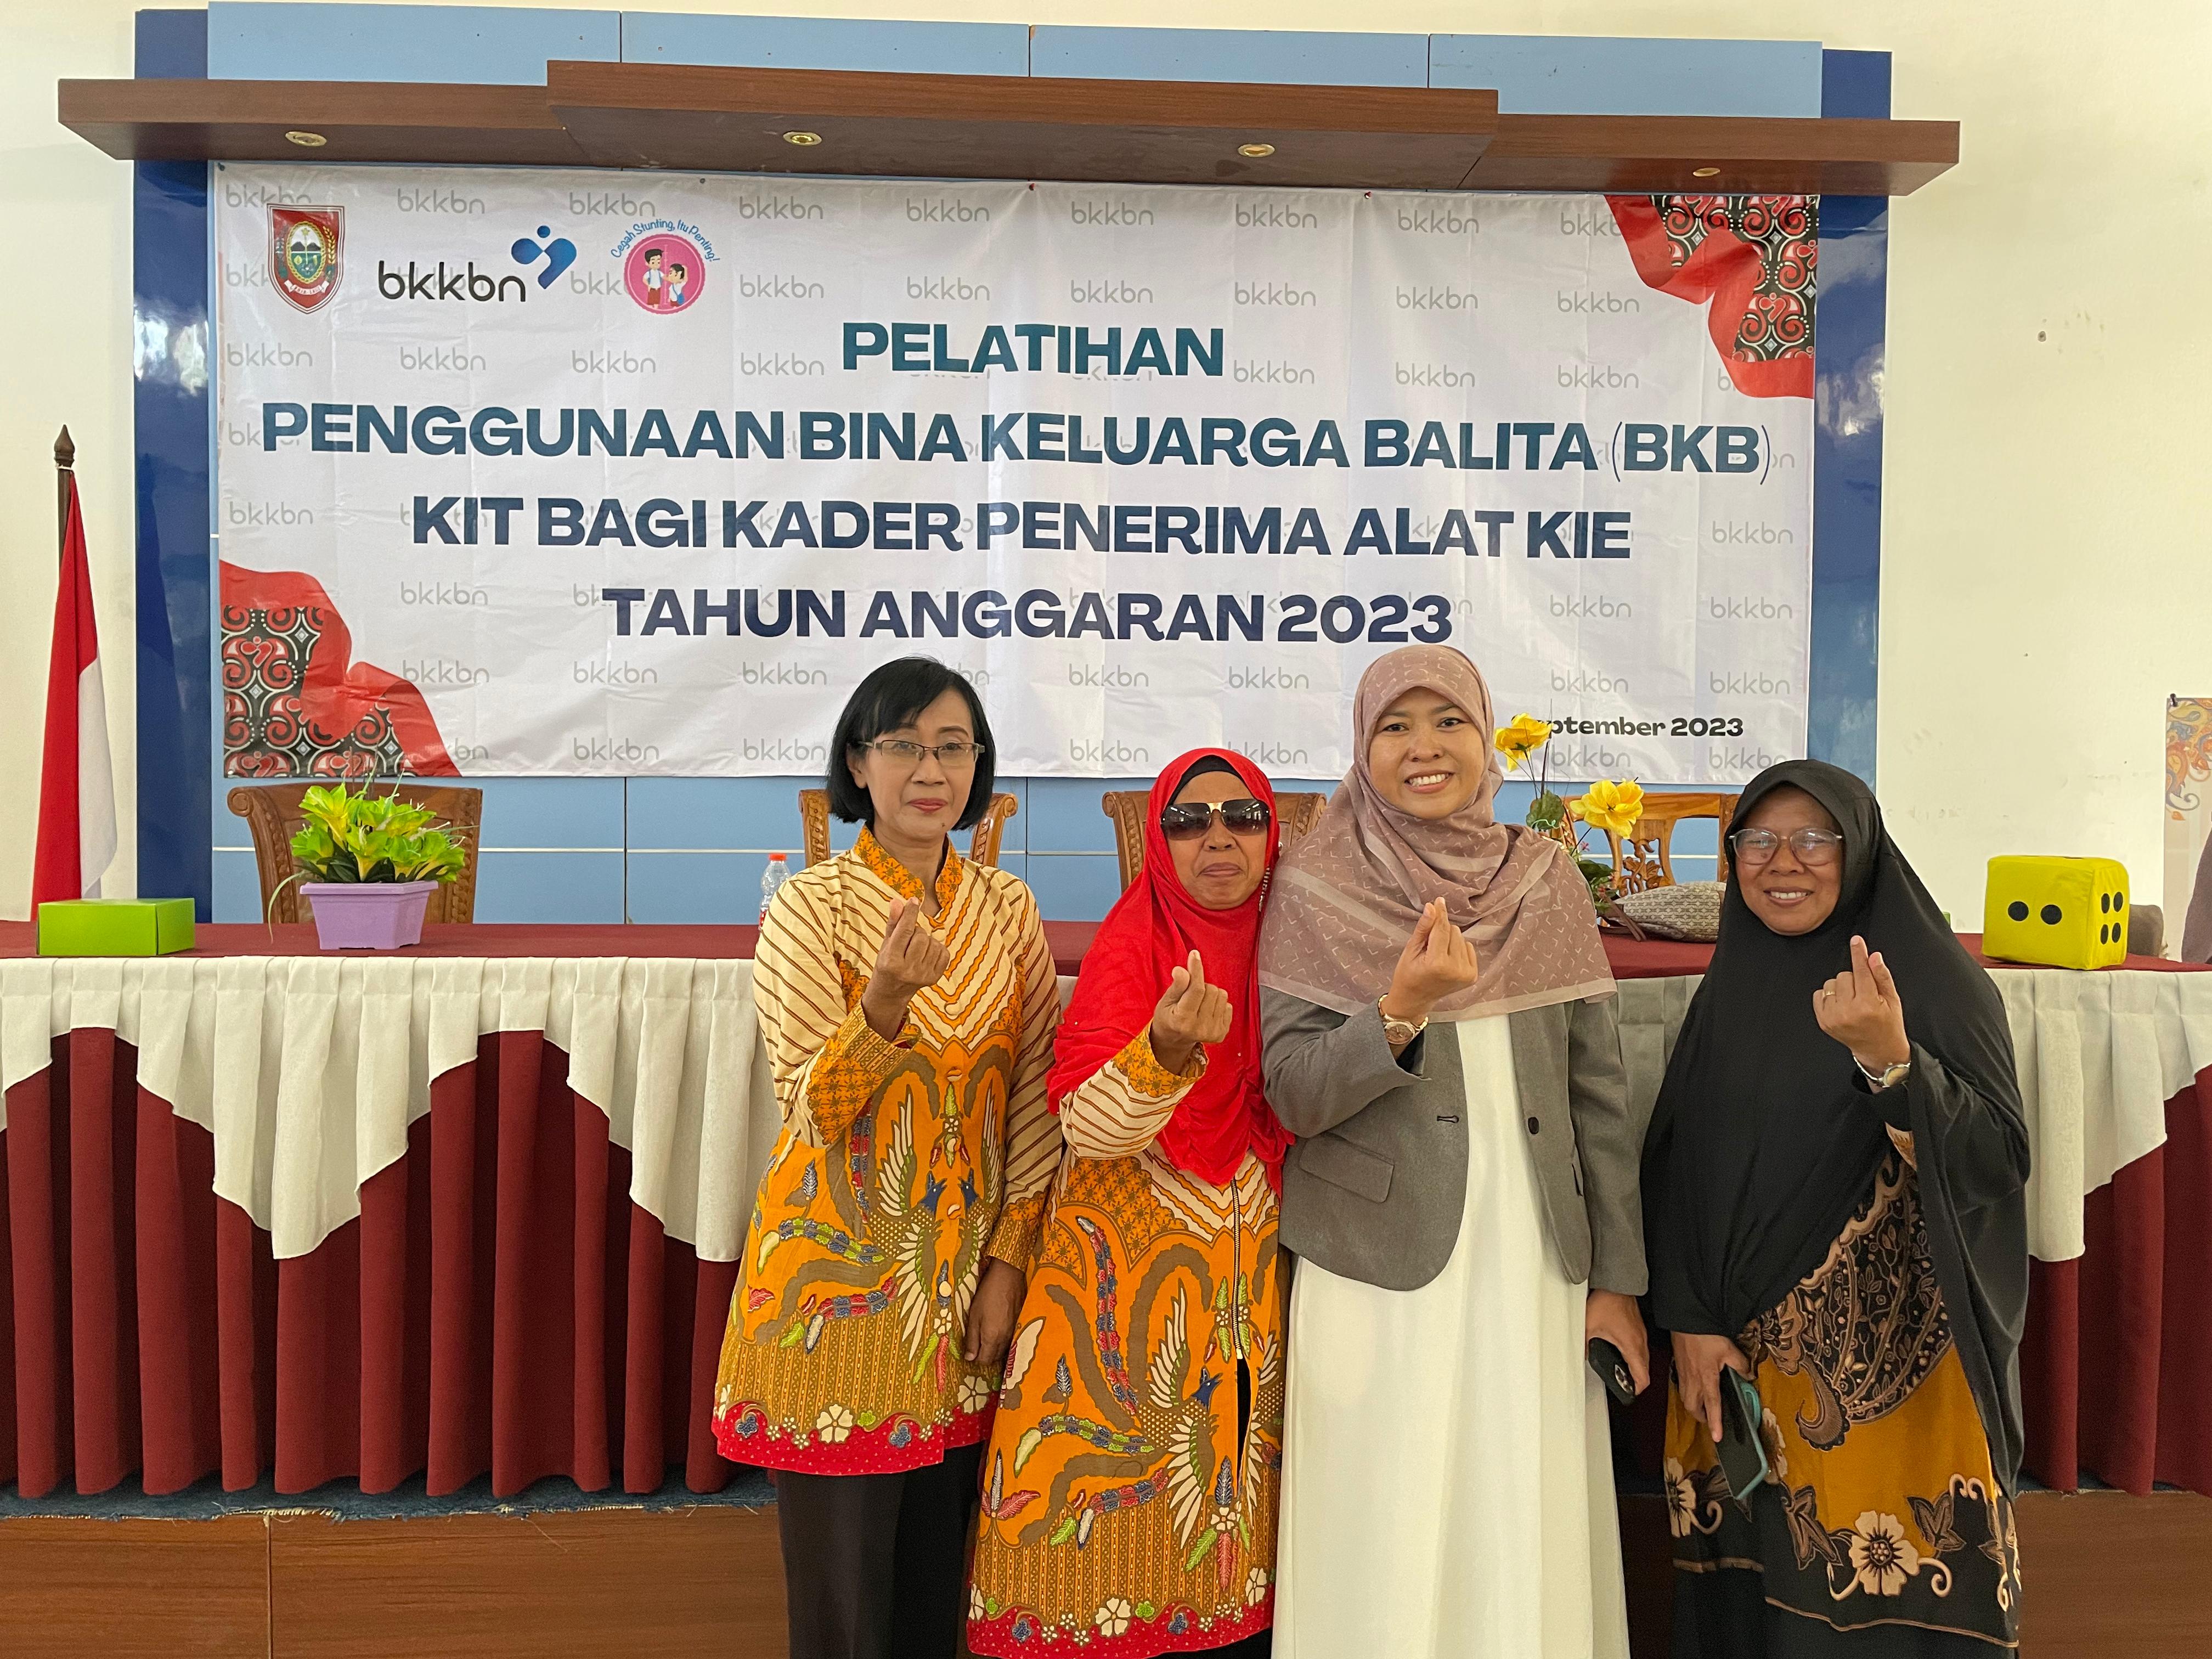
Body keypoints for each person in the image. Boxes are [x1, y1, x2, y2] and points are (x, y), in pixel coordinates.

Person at [1258, 644, 1647, 1659]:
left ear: (1487, 742)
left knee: (1519, 1506)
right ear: (1362, 747)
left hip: (1533, 1255)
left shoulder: (1546, 879)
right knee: (1380, 1514)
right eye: (1395, 727)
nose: (1423, 748)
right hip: (1375, 1262)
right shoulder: (1315, 886)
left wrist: (1617, 1281)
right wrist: (1399, 1011)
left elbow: (1600, 1097)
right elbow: (1293, 1093)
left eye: (1449, 723)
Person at [712, 657, 1061, 1659]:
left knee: (928, 1605)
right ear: (858, 764)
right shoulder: (809, 907)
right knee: (844, 1619)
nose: (930, 770)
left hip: (960, 1306)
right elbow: (811, 1110)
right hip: (835, 1302)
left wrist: (1008, 1264)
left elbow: (1035, 1102)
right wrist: (883, 1006)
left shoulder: (1008, 909)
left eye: (954, 747)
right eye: (903, 745)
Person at [1642, 759, 2028, 1656]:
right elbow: (1681, 1162)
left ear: (1860, 852)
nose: (1785, 862)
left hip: (1891, 1378)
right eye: (1759, 840)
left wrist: (1892, 1061)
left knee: (1880, 1613)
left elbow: (1995, 1163)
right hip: (1742, 1369)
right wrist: (1690, 1319)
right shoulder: (1731, 985)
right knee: (1752, 1609)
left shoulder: (1935, 983)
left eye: (1815, 839)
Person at [969, 750, 1291, 1659]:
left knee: (1220, 1529)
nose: (1217, 837)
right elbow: (1089, 1126)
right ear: (1158, 841)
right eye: (1188, 821)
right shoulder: (1131, 945)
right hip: (1112, 1307)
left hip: (1241, 1304)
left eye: (1241, 817)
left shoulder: (1300, 953)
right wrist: (1165, 1050)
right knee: (1089, 1513)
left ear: (1272, 836)